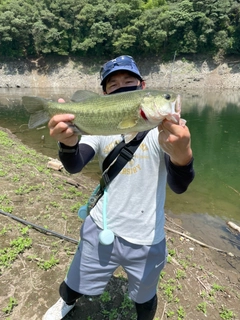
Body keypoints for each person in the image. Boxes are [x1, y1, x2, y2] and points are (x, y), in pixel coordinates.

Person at [43, 55, 195, 320]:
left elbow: (179, 186)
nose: (122, 86)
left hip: (148, 236)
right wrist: (67, 144)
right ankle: (66, 302)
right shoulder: (102, 128)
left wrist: (183, 156)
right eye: (113, 85)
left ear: (143, 86)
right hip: (102, 226)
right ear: (104, 93)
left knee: (145, 294)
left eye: (129, 80)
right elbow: (75, 164)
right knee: (76, 281)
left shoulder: (166, 133)